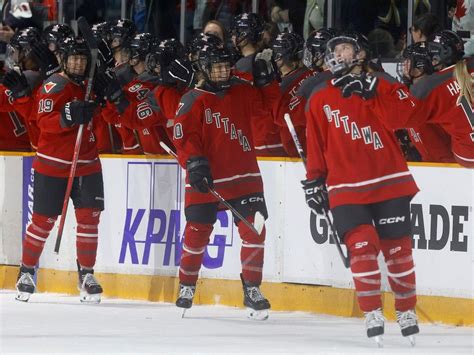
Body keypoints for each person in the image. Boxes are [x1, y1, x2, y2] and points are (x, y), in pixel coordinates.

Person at [302, 35, 420, 344]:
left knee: (398, 253)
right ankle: (371, 312)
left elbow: (405, 116)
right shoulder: (319, 97)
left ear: (360, 53)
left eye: (346, 48)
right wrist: (314, 180)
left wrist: (373, 93)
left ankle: (406, 310)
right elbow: (315, 143)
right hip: (345, 188)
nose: (340, 54)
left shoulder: (381, 83)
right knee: (362, 249)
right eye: (335, 50)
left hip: (389, 182)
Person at [172, 42, 278, 320]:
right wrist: (193, 162)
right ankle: (187, 284)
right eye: (216, 67)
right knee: (197, 233)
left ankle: (252, 288)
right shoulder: (192, 99)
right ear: (204, 69)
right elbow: (183, 136)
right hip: (208, 178)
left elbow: (269, 110)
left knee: (255, 231)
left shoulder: (243, 90)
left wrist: (267, 82)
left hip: (245, 177)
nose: (222, 71)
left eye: (224, 65)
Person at [15, 36, 104, 304]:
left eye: (82, 58)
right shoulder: (54, 85)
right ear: (63, 59)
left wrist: (101, 103)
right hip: (53, 164)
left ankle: (86, 274)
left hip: (87, 163)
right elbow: (44, 122)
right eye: (73, 58)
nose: (78, 62)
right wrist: (67, 115)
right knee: (43, 221)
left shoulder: (90, 85)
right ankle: (27, 271)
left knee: (90, 219)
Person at [387, 30, 474, 167]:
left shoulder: (430, 88)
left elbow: (398, 118)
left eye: (432, 56)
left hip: (467, 155)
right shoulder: (468, 68)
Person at [231, 12, 286, 156]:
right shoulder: (268, 57)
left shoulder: (242, 65)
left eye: (235, 33)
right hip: (274, 132)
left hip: (257, 134)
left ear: (243, 35)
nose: (232, 37)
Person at [271, 31, 315, 157]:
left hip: (302, 150)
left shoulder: (304, 80)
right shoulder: (310, 75)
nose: (274, 60)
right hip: (302, 150)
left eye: (277, 56)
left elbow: (281, 116)